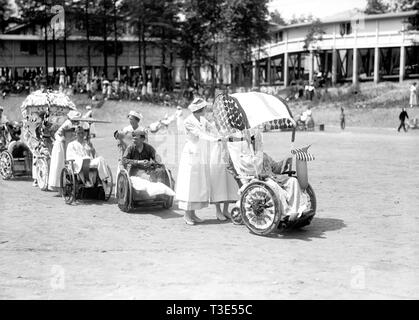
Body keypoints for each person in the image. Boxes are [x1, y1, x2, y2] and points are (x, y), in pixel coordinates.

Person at [175, 97, 222, 225]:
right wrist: (214, 140)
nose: (206, 111)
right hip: (191, 152)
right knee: (190, 182)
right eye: (204, 109)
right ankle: (186, 214)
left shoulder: (202, 119)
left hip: (201, 152)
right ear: (199, 110)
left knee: (198, 183)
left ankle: (193, 213)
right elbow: (199, 134)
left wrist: (220, 136)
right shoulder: (188, 121)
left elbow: (212, 130)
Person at [205, 107, 239, 220]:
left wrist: (230, 138)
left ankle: (226, 209)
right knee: (218, 182)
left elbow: (235, 137)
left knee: (229, 181)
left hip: (229, 154)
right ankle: (218, 211)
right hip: (217, 153)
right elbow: (207, 138)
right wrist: (218, 139)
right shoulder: (212, 125)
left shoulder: (230, 125)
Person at [66, 125, 112, 190]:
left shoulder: (86, 143)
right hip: (77, 163)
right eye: (79, 133)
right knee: (85, 159)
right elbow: (70, 156)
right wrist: (80, 158)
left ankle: (103, 179)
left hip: (88, 161)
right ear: (75, 134)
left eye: (82, 133)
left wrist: (92, 148)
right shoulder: (71, 144)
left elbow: (94, 156)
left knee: (100, 158)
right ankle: (87, 180)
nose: (81, 135)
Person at [48, 110, 81, 192]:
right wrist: (62, 138)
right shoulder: (68, 123)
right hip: (60, 145)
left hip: (65, 144)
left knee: (63, 164)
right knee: (59, 165)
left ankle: (64, 185)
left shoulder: (71, 123)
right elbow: (58, 134)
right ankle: (59, 185)